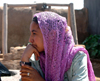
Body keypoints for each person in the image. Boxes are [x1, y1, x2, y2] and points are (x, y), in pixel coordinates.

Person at [20, 11, 95, 81]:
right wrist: (25, 58)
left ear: (51, 35)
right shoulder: (37, 58)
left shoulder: (77, 58)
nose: (30, 40)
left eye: (34, 33)